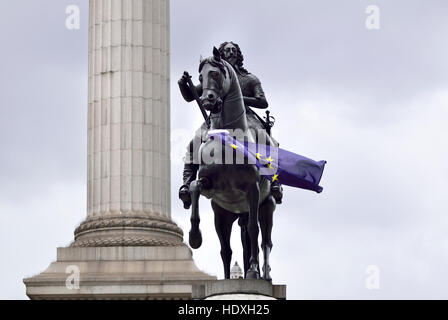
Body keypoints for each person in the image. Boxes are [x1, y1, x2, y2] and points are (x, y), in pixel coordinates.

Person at [177, 42, 283, 208]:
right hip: (217, 118)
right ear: (221, 55)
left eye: (234, 50)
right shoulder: (214, 74)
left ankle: (275, 182)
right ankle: (187, 184)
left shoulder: (249, 79)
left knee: (268, 141)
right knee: (194, 142)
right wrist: (183, 84)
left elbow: (263, 102)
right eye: (227, 50)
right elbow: (191, 96)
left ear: (238, 54)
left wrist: (239, 98)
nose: (231, 52)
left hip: (246, 118)